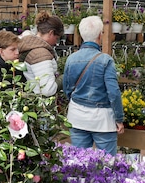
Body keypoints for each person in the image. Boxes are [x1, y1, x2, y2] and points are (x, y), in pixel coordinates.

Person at [62, 16, 124, 153]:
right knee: (107, 166)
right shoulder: (106, 60)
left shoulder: (71, 59)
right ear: (100, 35)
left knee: (79, 164)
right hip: (103, 119)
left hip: (77, 116)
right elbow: (113, 93)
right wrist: (119, 118)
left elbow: (66, 88)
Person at [17, 11, 63, 95]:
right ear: (51, 33)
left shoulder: (30, 45)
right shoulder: (40, 54)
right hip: (40, 103)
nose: (56, 43)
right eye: (56, 38)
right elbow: (48, 90)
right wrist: (64, 78)